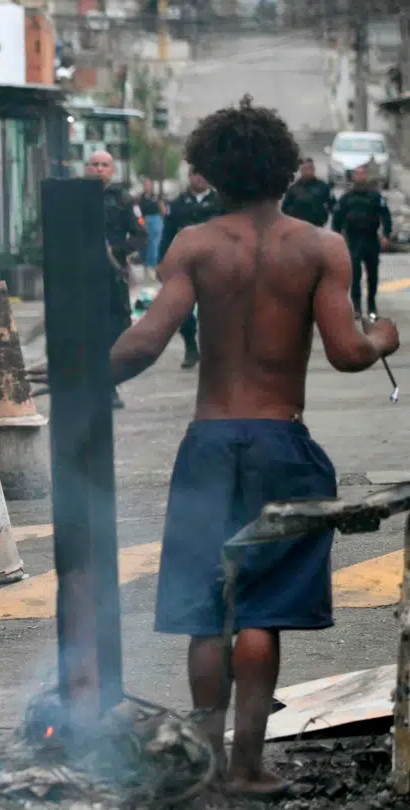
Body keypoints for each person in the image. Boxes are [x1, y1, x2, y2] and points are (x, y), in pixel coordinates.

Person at [40, 96, 398, 798]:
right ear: (286, 173)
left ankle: (203, 765)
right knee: (262, 610)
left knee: (209, 611)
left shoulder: (194, 247)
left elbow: (144, 342)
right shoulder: (320, 248)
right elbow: (350, 351)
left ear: (209, 172)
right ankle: (248, 767)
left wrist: (72, 376)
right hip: (281, 446)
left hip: (208, 446)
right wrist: (386, 335)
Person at [85, 149, 147, 410]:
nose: (99, 169)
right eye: (95, 164)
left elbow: (140, 236)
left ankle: (109, 383)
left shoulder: (123, 199)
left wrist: (117, 251)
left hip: (113, 274)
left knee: (116, 328)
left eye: (104, 165)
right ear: (87, 168)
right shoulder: (76, 197)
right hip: (83, 274)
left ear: (112, 170)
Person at [160, 171, 224, 369]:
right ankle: (190, 347)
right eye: (195, 174)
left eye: (203, 174)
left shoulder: (220, 203)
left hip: (215, 263)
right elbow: (167, 233)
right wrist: (161, 261)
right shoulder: (178, 204)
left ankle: (214, 353)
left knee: (215, 310)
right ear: (189, 177)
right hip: (185, 264)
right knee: (183, 310)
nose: (200, 178)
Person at [332, 165, 394, 317]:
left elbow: (386, 215)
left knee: (372, 274)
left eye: (363, 174)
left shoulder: (375, 196)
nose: (360, 177)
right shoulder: (347, 198)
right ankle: (357, 307)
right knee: (355, 274)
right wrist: (337, 237)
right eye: (357, 174)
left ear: (366, 176)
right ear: (353, 176)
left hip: (371, 239)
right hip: (353, 240)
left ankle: (372, 306)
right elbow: (337, 218)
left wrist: (386, 234)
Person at [281, 157, 334, 228]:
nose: (308, 171)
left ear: (314, 169)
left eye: (310, 168)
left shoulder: (323, 187)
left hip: (317, 226)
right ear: (301, 170)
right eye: (305, 168)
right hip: (297, 227)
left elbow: (332, 206)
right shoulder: (293, 188)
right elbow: (285, 208)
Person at [139, 178, 167, 275]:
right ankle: (146, 264)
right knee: (145, 244)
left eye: (149, 185)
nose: (147, 187)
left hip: (156, 220)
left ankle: (153, 266)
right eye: (145, 185)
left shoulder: (156, 197)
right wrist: (142, 223)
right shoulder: (140, 198)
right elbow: (138, 213)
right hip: (145, 220)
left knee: (155, 244)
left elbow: (163, 210)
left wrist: (162, 220)